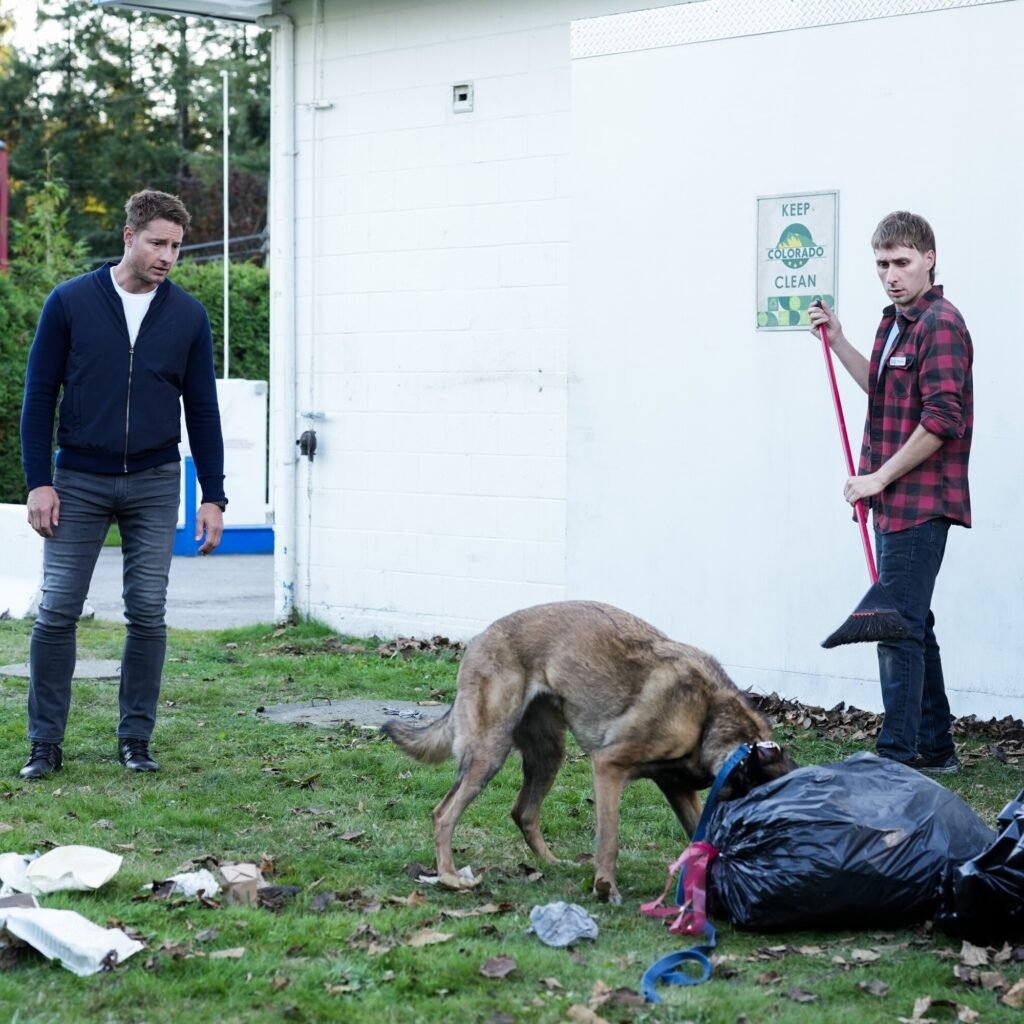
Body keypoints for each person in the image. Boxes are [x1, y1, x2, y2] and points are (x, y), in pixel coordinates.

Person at [18, 189, 228, 779]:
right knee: (57, 610)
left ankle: (135, 739)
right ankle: (45, 744)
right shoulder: (70, 303)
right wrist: (40, 482)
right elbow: (38, 400)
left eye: (177, 246)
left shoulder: (187, 315)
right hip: (79, 478)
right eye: (158, 243)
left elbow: (203, 410)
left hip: (157, 482)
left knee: (147, 611)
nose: (168, 256)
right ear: (129, 237)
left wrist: (211, 494)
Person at [808, 211, 973, 775]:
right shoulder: (893, 324)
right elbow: (878, 388)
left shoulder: (940, 324)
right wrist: (838, 341)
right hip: (890, 503)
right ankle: (934, 747)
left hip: (921, 502)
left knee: (894, 627)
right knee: (913, 622)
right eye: (882, 264)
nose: (891, 275)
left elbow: (943, 417)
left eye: (902, 262)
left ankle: (896, 758)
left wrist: (879, 477)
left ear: (929, 257)